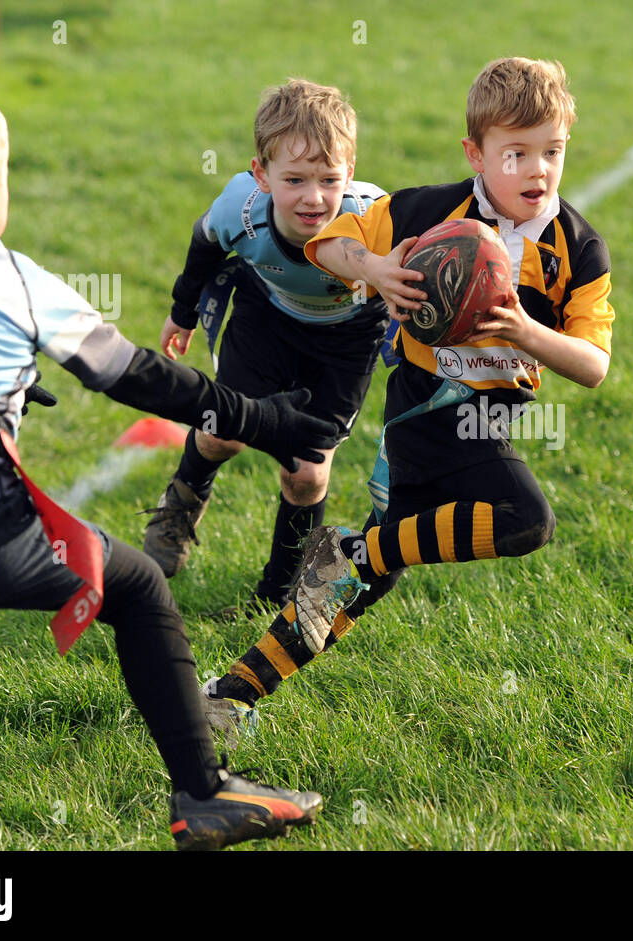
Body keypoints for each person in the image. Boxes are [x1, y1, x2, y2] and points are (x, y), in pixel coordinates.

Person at [0, 87, 338, 850]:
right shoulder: (14, 277)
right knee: (141, 588)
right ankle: (203, 793)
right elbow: (138, 377)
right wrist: (264, 418)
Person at [202, 57, 614, 720]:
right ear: (475, 155)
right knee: (526, 520)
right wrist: (378, 268)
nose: (537, 170)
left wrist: (525, 331)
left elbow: (594, 363)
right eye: (516, 154)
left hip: (488, 420)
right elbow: (329, 244)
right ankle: (350, 553)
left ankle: (231, 694)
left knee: (361, 584)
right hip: (429, 412)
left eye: (552, 151)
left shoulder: (579, 249)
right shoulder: (429, 211)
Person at [144, 78, 390, 615]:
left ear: (350, 171)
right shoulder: (242, 206)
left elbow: (415, 281)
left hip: (346, 341)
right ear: (261, 173)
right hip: (266, 317)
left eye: (329, 179)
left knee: (305, 473)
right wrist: (182, 313)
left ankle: (277, 595)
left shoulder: (375, 220)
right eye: (295, 179)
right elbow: (204, 244)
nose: (314, 197)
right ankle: (180, 506)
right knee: (220, 432)